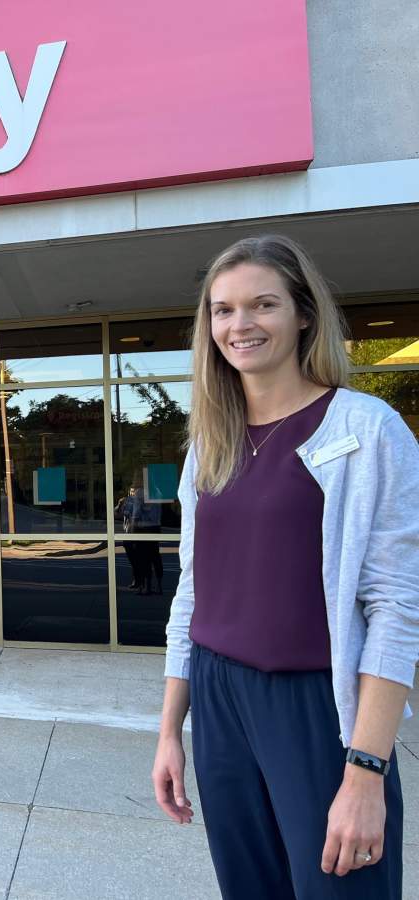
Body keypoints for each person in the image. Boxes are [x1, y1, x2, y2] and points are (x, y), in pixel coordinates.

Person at [150, 235, 419, 898]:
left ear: (303, 314)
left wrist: (365, 770)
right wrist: (169, 730)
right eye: (222, 310)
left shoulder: (367, 428)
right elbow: (194, 592)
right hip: (219, 700)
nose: (240, 325)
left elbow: (396, 606)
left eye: (262, 304)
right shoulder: (209, 443)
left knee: (341, 888)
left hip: (316, 708)